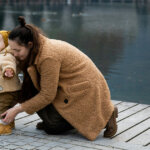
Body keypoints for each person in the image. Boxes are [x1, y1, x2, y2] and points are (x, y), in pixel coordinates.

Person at [1, 16, 118, 141]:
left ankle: (106, 115)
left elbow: (47, 95)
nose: (15, 54)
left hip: (83, 92)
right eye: (13, 50)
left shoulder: (48, 56)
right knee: (29, 90)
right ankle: (53, 118)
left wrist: (17, 109)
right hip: (67, 89)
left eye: (17, 50)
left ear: (29, 44)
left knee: (53, 127)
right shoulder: (36, 47)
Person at [0, 30, 21, 135]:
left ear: (6, 43)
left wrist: (8, 70)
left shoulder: (6, 54)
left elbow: (8, 63)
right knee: (8, 108)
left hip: (5, 91)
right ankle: (10, 122)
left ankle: (3, 127)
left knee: (1, 108)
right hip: (13, 89)